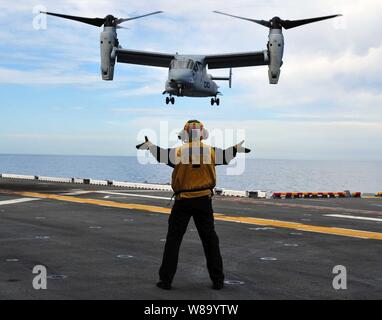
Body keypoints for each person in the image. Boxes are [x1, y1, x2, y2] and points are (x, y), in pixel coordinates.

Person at [136, 120, 251, 290]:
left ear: (185, 133)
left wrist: (150, 145)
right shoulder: (210, 151)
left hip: (183, 201)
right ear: (203, 133)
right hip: (204, 200)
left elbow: (161, 155)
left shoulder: (179, 151)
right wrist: (236, 148)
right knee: (210, 241)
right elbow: (226, 156)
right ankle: (218, 280)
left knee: (173, 241)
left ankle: (166, 281)